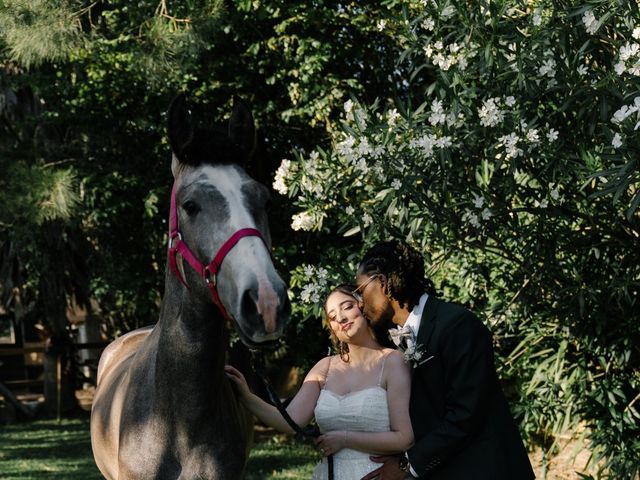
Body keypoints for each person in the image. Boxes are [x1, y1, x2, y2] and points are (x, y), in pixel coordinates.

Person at [356, 240, 535, 480]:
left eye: (360, 291)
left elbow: (465, 415)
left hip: (485, 470)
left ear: (383, 283)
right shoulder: (389, 342)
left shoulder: (457, 326)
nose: (359, 302)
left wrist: (406, 465)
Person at [225, 284, 414, 480]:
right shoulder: (325, 367)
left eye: (347, 306)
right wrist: (247, 397)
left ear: (363, 306)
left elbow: (404, 438)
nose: (340, 318)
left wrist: (345, 439)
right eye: (332, 317)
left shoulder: (393, 361)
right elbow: (290, 421)